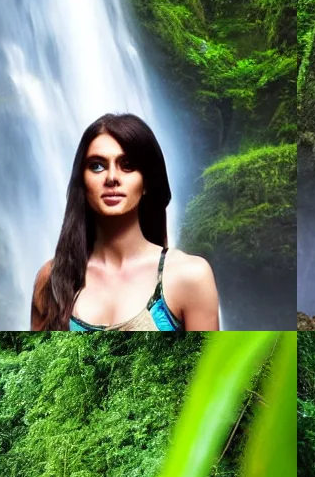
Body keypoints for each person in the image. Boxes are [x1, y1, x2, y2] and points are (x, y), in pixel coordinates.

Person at [32, 114, 220, 332]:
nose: (112, 177)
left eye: (128, 165)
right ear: (82, 181)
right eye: (97, 166)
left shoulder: (190, 276)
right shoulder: (51, 279)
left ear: (147, 181)